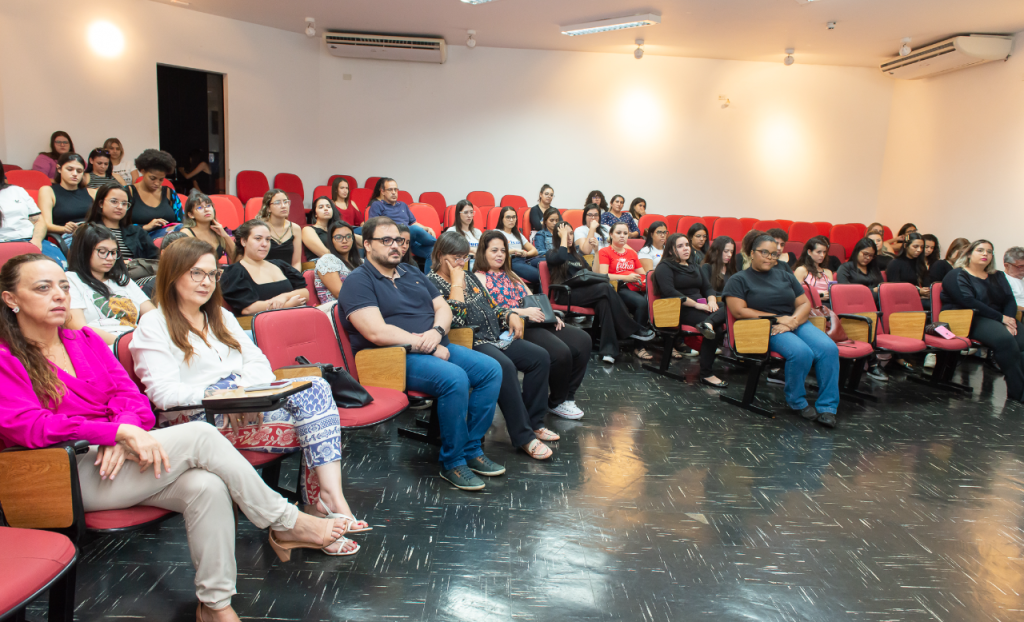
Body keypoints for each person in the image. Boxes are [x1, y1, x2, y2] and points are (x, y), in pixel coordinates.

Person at [0, 253, 352, 622]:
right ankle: (285, 520)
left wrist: (121, 431)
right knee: (200, 435)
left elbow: (131, 398)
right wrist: (115, 431)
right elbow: (28, 425)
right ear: (11, 299)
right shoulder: (7, 356)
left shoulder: (84, 339)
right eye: (43, 288)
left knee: (206, 486)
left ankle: (215, 605)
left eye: (63, 285)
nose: (59, 295)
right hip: (61, 472)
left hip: (117, 457)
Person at [131, 237, 365, 547]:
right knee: (316, 427)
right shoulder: (153, 325)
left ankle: (330, 498)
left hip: (245, 403)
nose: (206, 282)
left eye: (212, 274)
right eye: (196, 273)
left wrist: (242, 393)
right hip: (195, 422)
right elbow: (164, 394)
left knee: (317, 387)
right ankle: (315, 508)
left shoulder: (221, 317)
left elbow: (258, 364)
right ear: (172, 275)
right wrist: (224, 395)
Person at [339, 216, 503, 491]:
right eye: (386, 240)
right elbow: (376, 332)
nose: (395, 246)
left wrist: (436, 333)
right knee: (455, 378)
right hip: (392, 358)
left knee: (491, 370)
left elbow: (443, 308)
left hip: (435, 344)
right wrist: (426, 345)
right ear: (367, 245)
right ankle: (453, 462)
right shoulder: (358, 281)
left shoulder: (411, 271)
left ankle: (471, 449)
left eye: (398, 240)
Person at [428, 232, 553, 460]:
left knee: (540, 357)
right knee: (504, 366)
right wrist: (456, 284)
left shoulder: (470, 277)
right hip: (468, 341)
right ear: (439, 256)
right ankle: (523, 436)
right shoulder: (431, 283)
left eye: (464, 257)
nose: (460, 263)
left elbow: (492, 306)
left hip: (495, 337)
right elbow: (455, 323)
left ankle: (534, 422)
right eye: (455, 258)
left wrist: (509, 314)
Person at [723, 234, 840, 428]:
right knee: (801, 352)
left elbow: (804, 303)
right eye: (764, 253)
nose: (769, 257)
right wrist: (778, 319)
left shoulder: (785, 275)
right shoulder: (738, 279)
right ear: (752, 253)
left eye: (773, 254)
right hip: (764, 326)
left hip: (794, 322)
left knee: (829, 349)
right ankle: (797, 401)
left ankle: (828, 406)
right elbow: (739, 311)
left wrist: (791, 322)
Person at [474, 230, 590, 421]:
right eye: (494, 250)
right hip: (516, 325)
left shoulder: (511, 274)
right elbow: (490, 310)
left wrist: (551, 315)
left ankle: (567, 397)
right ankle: (556, 401)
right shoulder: (479, 277)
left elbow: (532, 298)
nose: (500, 255)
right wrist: (522, 312)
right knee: (561, 352)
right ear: (483, 252)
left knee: (583, 340)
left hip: (536, 318)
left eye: (503, 250)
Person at [547, 221, 655, 364]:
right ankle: (633, 328)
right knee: (605, 287)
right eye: (566, 234)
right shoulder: (552, 254)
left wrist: (597, 251)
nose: (569, 237)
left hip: (584, 293)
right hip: (565, 294)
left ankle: (609, 351)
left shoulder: (577, 256)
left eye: (571, 233)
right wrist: (563, 238)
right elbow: (561, 257)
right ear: (559, 236)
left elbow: (593, 273)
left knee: (604, 301)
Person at [941, 240, 1024, 403]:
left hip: (996, 318)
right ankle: (1017, 392)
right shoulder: (957, 274)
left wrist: (1009, 320)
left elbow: (1009, 300)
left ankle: (1020, 389)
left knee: (1021, 340)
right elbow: (968, 302)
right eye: (980, 250)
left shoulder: (997, 275)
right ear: (969, 254)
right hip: (967, 318)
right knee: (1005, 340)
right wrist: (1002, 318)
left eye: (989, 251)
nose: (985, 253)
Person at [654, 233, 728, 387]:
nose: (686, 249)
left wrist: (712, 301)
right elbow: (670, 292)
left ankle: (708, 323)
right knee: (716, 329)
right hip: (679, 309)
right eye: (680, 246)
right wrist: (696, 305)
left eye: (687, 245)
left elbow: (707, 288)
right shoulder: (664, 267)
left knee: (728, 306)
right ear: (670, 250)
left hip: (701, 306)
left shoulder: (694, 266)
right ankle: (706, 374)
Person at [64, 223, 155, 345]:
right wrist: (124, 344)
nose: (110, 258)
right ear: (84, 251)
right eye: (102, 252)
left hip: (135, 341)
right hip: (99, 346)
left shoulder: (121, 279)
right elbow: (77, 327)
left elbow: (152, 315)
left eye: (113, 252)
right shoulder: (70, 280)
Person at [220, 220, 308, 317]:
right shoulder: (235, 272)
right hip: (264, 322)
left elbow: (305, 293)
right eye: (258, 239)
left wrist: (284, 297)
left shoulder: (280, 264)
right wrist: (287, 305)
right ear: (243, 241)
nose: (265, 244)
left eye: (268, 239)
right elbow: (248, 309)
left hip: (298, 317)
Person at [835, 238, 889, 382]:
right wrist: (872, 291)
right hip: (851, 309)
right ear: (857, 251)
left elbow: (882, 288)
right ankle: (873, 364)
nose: (867, 258)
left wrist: (875, 292)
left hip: (873, 308)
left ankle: (877, 360)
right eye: (865, 254)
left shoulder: (873, 269)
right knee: (867, 324)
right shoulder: (846, 268)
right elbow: (845, 290)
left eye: (871, 255)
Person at [598, 222, 652, 360]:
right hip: (618, 287)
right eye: (618, 233)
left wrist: (642, 279)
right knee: (642, 303)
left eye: (625, 233)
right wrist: (625, 277)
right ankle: (639, 344)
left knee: (648, 300)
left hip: (634, 286)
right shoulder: (605, 251)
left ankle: (639, 341)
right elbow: (604, 275)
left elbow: (642, 273)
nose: (622, 236)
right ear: (611, 234)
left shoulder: (632, 253)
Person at [0, 162, 67, 266]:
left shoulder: (17, 191)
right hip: (3, 243)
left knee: (57, 267)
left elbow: (39, 221)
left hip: (29, 240)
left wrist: (36, 241)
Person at [366, 178, 436, 271]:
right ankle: (441, 243)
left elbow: (413, 222)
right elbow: (373, 226)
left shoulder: (403, 205)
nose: (394, 192)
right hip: (394, 239)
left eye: (395, 189)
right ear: (383, 191)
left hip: (409, 240)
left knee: (433, 251)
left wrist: (426, 228)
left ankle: (428, 279)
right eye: (390, 190)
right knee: (413, 229)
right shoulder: (377, 205)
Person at [83, 182, 159, 261]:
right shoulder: (87, 231)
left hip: (134, 269)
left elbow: (156, 260)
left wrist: (134, 264)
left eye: (124, 203)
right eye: (114, 201)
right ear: (101, 203)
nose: (120, 207)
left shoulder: (138, 232)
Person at [125, 149, 183, 238]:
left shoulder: (169, 193)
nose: (157, 183)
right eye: (152, 178)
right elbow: (119, 225)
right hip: (138, 238)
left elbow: (180, 220)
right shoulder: (127, 193)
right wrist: (145, 227)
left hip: (169, 238)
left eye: (161, 179)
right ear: (142, 171)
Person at [37, 153, 96, 241]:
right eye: (69, 169)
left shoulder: (92, 192)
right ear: (59, 169)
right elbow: (46, 224)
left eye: (79, 171)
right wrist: (65, 229)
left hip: (92, 234)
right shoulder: (48, 191)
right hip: (68, 236)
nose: (75, 174)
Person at [176, 190, 235, 264]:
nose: (206, 210)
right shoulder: (186, 233)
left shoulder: (218, 232)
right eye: (200, 207)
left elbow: (236, 258)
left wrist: (225, 235)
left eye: (208, 206)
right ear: (191, 215)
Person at [253, 189, 303, 270]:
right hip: (264, 273)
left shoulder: (295, 228)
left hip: (288, 275)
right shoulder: (260, 227)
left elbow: (296, 263)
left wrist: (295, 277)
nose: (283, 206)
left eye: (285, 202)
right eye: (277, 202)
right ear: (268, 208)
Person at [314, 220, 361, 305]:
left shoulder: (360, 262)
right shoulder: (327, 260)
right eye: (338, 237)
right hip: (337, 308)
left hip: (360, 304)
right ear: (331, 240)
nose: (344, 241)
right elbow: (340, 293)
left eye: (348, 236)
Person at [495, 206, 539, 284]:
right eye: (508, 217)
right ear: (502, 219)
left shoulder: (517, 234)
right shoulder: (497, 233)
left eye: (513, 217)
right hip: (510, 262)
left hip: (523, 259)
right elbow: (496, 252)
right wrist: (514, 251)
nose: (511, 220)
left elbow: (534, 251)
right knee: (540, 276)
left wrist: (525, 253)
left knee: (546, 265)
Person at [885, 231, 930, 301]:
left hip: (917, 297)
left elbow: (926, 283)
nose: (919, 250)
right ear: (906, 245)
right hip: (902, 299)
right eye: (915, 247)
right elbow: (895, 288)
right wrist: (917, 291)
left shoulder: (920, 263)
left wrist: (927, 292)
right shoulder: (895, 263)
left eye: (921, 247)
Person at [793, 236, 835, 302]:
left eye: (824, 252)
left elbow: (832, 293)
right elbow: (797, 294)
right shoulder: (801, 270)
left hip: (828, 304)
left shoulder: (828, 272)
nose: (822, 255)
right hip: (809, 304)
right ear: (809, 252)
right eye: (819, 252)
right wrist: (818, 297)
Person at [302, 196, 338, 261]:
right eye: (321, 207)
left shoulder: (336, 230)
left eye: (328, 207)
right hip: (319, 263)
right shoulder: (308, 230)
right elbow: (325, 254)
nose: (326, 209)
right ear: (315, 214)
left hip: (338, 262)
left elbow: (355, 240)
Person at [449, 199, 482, 267]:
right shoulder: (452, 231)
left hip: (478, 262)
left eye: (471, 212)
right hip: (461, 264)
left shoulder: (477, 232)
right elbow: (453, 251)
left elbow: (482, 251)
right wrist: (473, 250)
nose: (469, 215)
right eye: (466, 212)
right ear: (459, 214)